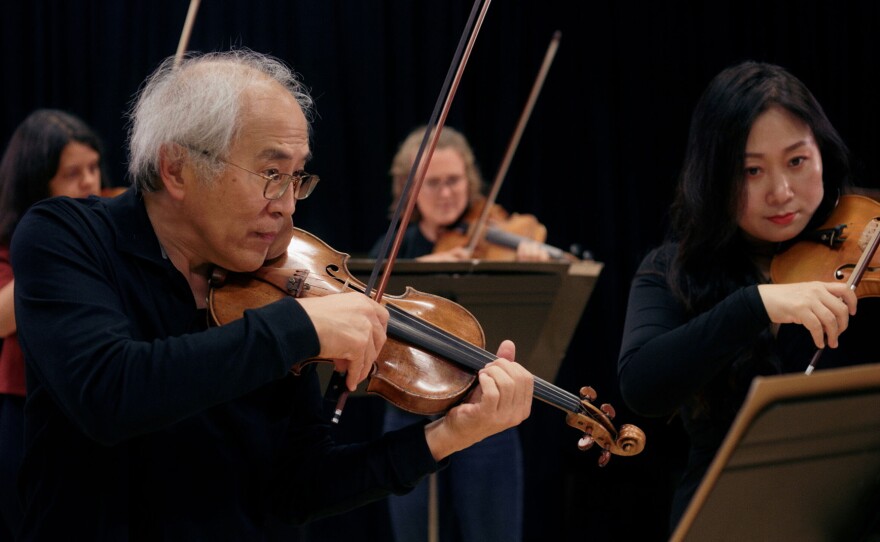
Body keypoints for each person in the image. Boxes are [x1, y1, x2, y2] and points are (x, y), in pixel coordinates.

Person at [9, 49, 534, 541]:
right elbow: (110, 391)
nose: (288, 206)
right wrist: (302, 327)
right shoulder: (65, 237)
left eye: (296, 178)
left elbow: (296, 488)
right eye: (269, 174)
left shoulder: (272, 285)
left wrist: (446, 436)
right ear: (176, 169)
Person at [617, 60, 877, 534]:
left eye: (797, 161)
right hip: (728, 523)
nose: (780, 192)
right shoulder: (673, 270)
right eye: (751, 171)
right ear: (714, 178)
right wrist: (756, 304)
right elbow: (641, 385)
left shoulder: (867, 246)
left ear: (822, 153)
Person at [369, 125, 547, 542]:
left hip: (486, 410)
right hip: (408, 415)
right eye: (433, 183)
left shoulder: (497, 243)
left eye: (454, 181)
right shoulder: (395, 249)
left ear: (470, 182)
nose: (446, 193)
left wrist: (531, 266)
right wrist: (429, 265)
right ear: (409, 188)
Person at [0, 108, 107, 539]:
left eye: (94, 168)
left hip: (91, 406)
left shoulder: (104, 228)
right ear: (37, 182)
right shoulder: (11, 245)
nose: (90, 183)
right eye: (72, 174)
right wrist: (50, 248)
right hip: (26, 413)